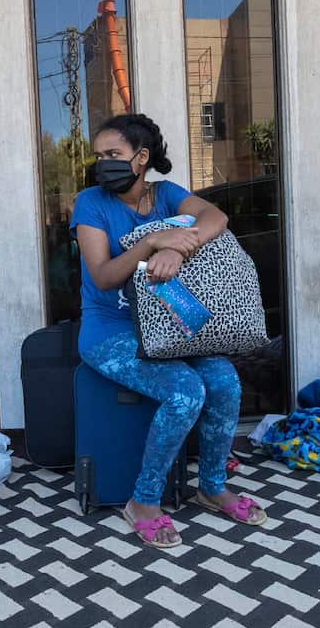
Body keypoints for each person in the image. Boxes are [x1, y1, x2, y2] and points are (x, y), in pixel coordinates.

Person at [71, 113, 266, 549]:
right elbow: (103, 276)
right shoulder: (91, 202)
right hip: (111, 330)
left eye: (113, 155)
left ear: (141, 159)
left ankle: (211, 487)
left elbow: (215, 216)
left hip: (171, 324)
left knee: (224, 381)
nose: (103, 163)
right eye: (100, 156)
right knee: (185, 392)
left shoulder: (165, 195)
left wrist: (182, 246)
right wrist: (152, 244)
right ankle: (143, 503)